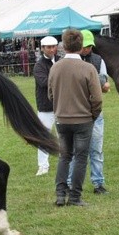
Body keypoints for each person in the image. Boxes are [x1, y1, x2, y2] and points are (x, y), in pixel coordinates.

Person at [47, 29, 103, 207]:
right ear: (80, 46)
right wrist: (92, 115)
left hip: (62, 119)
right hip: (83, 119)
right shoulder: (88, 68)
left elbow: (50, 94)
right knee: (80, 157)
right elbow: (97, 98)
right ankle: (75, 196)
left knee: (64, 157)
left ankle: (60, 195)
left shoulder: (55, 67)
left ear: (64, 45)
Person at [77, 30, 110, 195]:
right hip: (78, 112)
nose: (87, 49)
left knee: (96, 150)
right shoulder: (71, 62)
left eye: (89, 46)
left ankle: (98, 183)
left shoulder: (98, 60)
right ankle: (73, 184)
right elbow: (102, 84)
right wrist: (96, 82)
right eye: (85, 46)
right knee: (77, 152)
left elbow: (105, 81)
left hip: (95, 112)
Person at [32, 35, 60, 176]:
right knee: (43, 137)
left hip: (61, 105)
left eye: (54, 46)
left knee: (64, 135)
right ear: (42, 48)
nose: (52, 49)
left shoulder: (60, 61)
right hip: (46, 107)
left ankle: (65, 160)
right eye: (48, 47)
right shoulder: (39, 66)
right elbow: (44, 83)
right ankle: (43, 165)